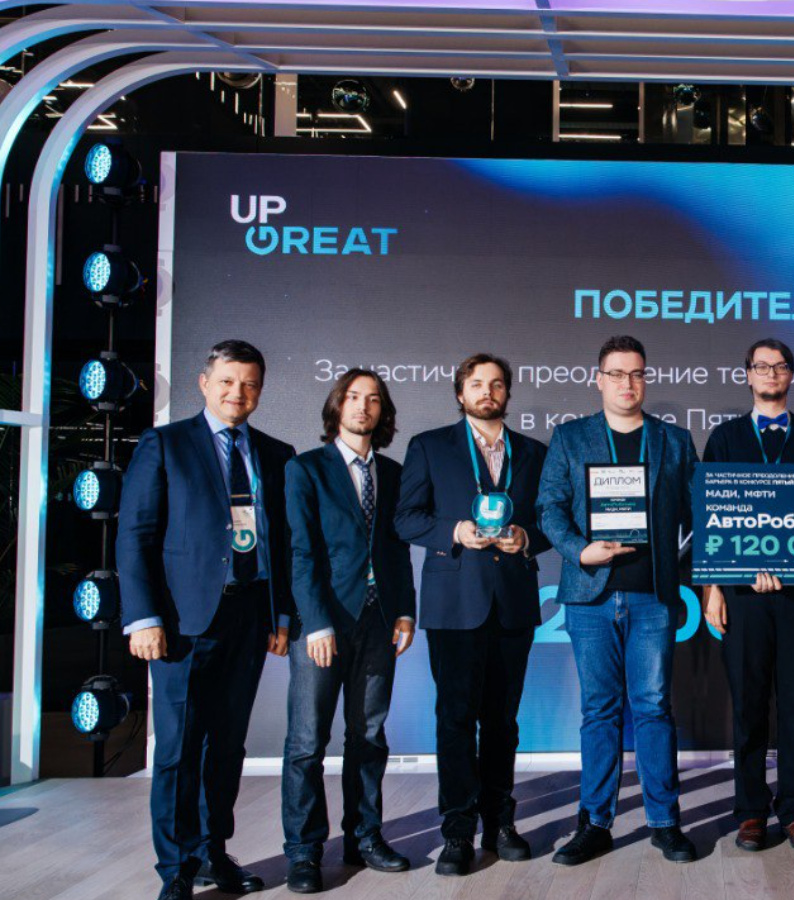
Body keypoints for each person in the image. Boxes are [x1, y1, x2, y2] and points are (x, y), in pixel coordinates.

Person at [117, 339, 295, 900]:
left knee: (226, 746)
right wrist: (143, 617)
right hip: (182, 622)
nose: (237, 393)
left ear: (260, 390)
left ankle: (213, 853)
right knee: (177, 750)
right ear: (204, 383)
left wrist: (281, 614)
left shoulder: (276, 453)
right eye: (227, 381)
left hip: (250, 616)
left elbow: (284, 543)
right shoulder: (165, 444)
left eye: (249, 384)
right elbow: (135, 535)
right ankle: (175, 869)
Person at [536, 335, 699, 865]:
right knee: (599, 711)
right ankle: (595, 823)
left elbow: (699, 517)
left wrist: (683, 563)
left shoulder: (674, 441)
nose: (627, 383)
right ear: (598, 379)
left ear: (645, 379)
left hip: (653, 595)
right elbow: (549, 507)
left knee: (653, 708)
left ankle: (665, 822)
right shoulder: (570, 437)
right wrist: (579, 550)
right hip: (590, 596)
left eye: (636, 373)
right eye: (617, 373)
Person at [394, 353, 551, 876]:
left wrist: (526, 537)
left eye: (497, 384)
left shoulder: (534, 452)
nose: (488, 391)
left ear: (508, 393)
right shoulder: (430, 446)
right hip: (454, 604)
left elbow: (552, 519)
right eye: (477, 383)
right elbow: (405, 518)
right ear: (460, 392)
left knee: (503, 722)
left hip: (512, 603)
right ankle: (457, 831)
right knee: (455, 720)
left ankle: (500, 822)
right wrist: (454, 532)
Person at [701, 338, 794, 852]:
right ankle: (751, 812)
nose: (770, 373)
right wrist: (713, 587)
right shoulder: (725, 438)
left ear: (791, 375)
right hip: (744, 594)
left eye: (779, 366)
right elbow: (709, 516)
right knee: (749, 705)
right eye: (761, 366)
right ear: (748, 375)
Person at [280, 370, 417, 893]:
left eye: (373, 399)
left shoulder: (394, 473)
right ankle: (303, 852)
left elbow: (399, 550)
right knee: (306, 743)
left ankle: (364, 837)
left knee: (369, 736)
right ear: (337, 405)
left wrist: (405, 611)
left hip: (379, 623)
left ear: (383, 412)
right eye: (354, 397)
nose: (363, 406)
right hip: (323, 625)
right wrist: (314, 622)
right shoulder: (305, 469)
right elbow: (301, 552)